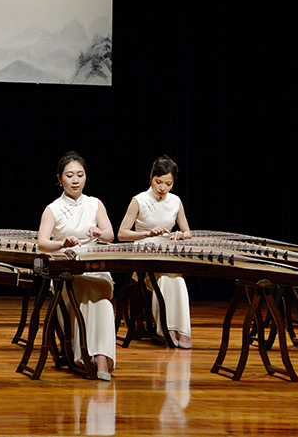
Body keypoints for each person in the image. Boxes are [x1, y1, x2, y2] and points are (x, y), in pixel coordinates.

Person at [37, 151, 115, 381]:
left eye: (80, 175)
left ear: (86, 177)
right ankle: (89, 355)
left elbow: (110, 234)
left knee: (100, 297)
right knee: (85, 292)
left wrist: (98, 232)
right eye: (69, 175)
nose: (75, 180)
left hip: (94, 263)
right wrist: (62, 243)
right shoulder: (52, 209)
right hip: (66, 267)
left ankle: (99, 356)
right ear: (59, 178)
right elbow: (42, 243)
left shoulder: (95, 203)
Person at [117, 155, 193, 349]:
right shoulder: (139, 200)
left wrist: (180, 235)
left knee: (178, 280)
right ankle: (167, 329)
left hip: (166, 252)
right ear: (151, 177)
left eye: (168, 184)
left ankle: (182, 330)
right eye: (158, 182)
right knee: (165, 279)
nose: (163, 188)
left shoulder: (175, 201)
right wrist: (147, 233)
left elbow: (188, 232)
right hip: (144, 253)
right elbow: (122, 234)